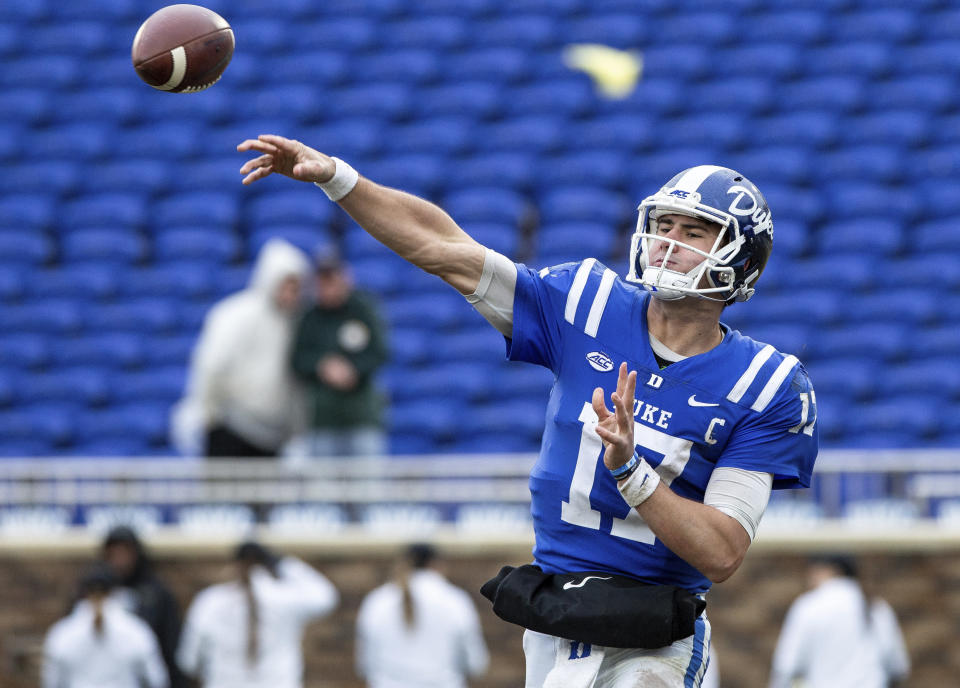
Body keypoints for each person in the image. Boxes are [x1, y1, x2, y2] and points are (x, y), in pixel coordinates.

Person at [236, 135, 818, 687]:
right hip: (557, 617)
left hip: (653, 632)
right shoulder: (587, 304)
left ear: (742, 259)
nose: (669, 242)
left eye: (694, 232)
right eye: (664, 225)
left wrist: (632, 472)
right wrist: (340, 179)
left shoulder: (765, 385)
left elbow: (722, 551)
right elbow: (444, 249)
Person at [171, 237, 311, 457]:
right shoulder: (237, 314)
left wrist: (296, 432)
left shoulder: (294, 325)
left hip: (272, 437)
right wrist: (206, 410)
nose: (292, 294)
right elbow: (213, 363)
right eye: (287, 284)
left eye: (296, 287)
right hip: (230, 427)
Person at [176, 541, 339, 688]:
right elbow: (326, 596)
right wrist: (283, 562)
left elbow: (188, 662)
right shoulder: (285, 598)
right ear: (267, 565)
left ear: (235, 565)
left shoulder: (210, 602)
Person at [286, 246, 389, 459]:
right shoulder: (310, 317)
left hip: (361, 416)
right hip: (323, 418)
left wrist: (352, 370)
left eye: (332, 278)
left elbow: (380, 352)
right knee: (322, 489)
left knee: (366, 488)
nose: (328, 286)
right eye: (322, 280)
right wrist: (322, 367)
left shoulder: (362, 309)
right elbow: (297, 360)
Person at [355, 543, 489, 688]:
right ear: (437, 564)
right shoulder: (455, 600)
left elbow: (365, 665)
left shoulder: (377, 601)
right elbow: (476, 664)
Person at [769, 555, 910, 688]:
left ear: (824, 569)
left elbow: (786, 668)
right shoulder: (877, 608)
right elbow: (898, 668)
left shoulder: (808, 606)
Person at [42, 564, 168, 688]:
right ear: (117, 592)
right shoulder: (136, 630)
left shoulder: (62, 633)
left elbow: (52, 682)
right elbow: (156, 679)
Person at [101, 526, 187, 688]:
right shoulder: (93, 593)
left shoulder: (157, 594)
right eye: (114, 554)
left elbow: (171, 647)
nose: (119, 561)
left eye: (125, 553)